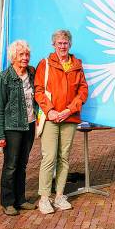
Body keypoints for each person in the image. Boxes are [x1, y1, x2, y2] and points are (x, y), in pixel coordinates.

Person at [34, 29, 88, 215]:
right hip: (51, 118)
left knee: (64, 157)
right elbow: (39, 90)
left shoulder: (77, 66)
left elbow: (82, 92)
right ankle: (44, 198)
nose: (63, 46)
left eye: (65, 43)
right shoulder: (46, 63)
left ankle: (59, 195)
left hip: (69, 118)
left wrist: (68, 110)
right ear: (54, 45)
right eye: (59, 43)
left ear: (70, 45)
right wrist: (51, 111)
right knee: (49, 157)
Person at [0, 40, 39, 216]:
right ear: (13, 57)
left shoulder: (32, 73)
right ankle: (8, 201)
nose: (25, 58)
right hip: (12, 127)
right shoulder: (4, 77)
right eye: (21, 55)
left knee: (23, 164)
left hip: (29, 125)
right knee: (11, 165)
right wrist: (0, 135)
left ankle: (20, 199)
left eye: (27, 54)